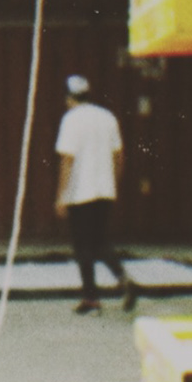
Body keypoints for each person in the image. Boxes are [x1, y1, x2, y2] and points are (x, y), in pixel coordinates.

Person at [53, 75, 136, 314]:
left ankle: (91, 298)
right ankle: (123, 279)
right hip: (105, 191)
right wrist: (113, 184)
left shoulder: (71, 120)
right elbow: (119, 156)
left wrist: (61, 196)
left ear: (69, 98)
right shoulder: (107, 117)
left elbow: (67, 160)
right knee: (99, 241)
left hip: (80, 192)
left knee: (83, 246)